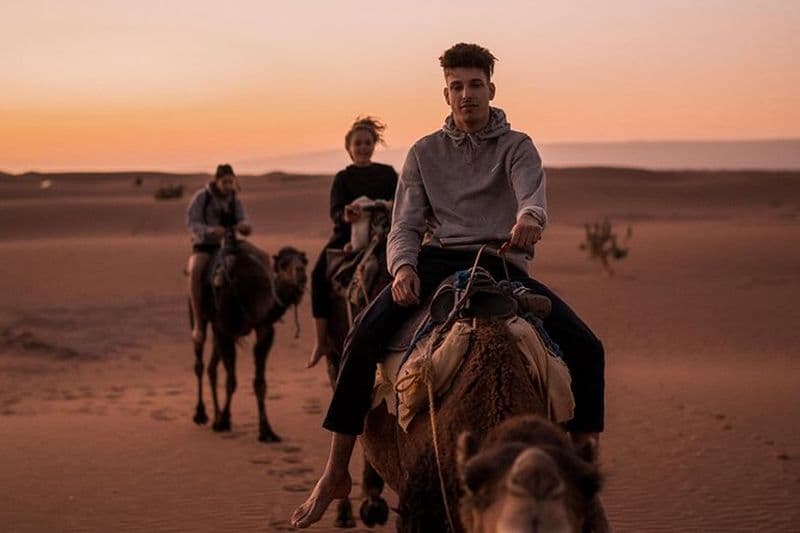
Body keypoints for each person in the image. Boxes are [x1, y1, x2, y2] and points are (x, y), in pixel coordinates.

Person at [291, 43, 605, 529]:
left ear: (491, 89)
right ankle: (335, 471)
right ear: (446, 93)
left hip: (502, 263)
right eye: (457, 86)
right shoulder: (423, 152)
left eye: (475, 84)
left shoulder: (518, 146)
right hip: (438, 262)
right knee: (359, 340)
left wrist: (529, 219)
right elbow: (405, 224)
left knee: (588, 348)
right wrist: (402, 268)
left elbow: (532, 196)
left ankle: (584, 479)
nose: (466, 95)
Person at [306, 117, 398, 369]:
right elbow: (335, 212)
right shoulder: (343, 178)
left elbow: (402, 205)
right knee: (317, 275)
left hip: (385, 236)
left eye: (368, 142)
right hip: (347, 237)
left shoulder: (388, 174)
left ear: (374, 144)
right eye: (358, 143)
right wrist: (347, 216)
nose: (363, 147)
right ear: (349, 148)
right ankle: (321, 341)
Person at [186, 163, 252, 343]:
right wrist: (209, 231)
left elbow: (244, 220)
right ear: (217, 181)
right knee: (195, 272)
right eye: (225, 182)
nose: (229, 186)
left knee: (254, 263)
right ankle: (199, 324)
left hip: (229, 246)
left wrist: (244, 226)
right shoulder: (202, 197)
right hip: (205, 247)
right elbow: (192, 223)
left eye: (231, 182)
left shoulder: (234, 199)